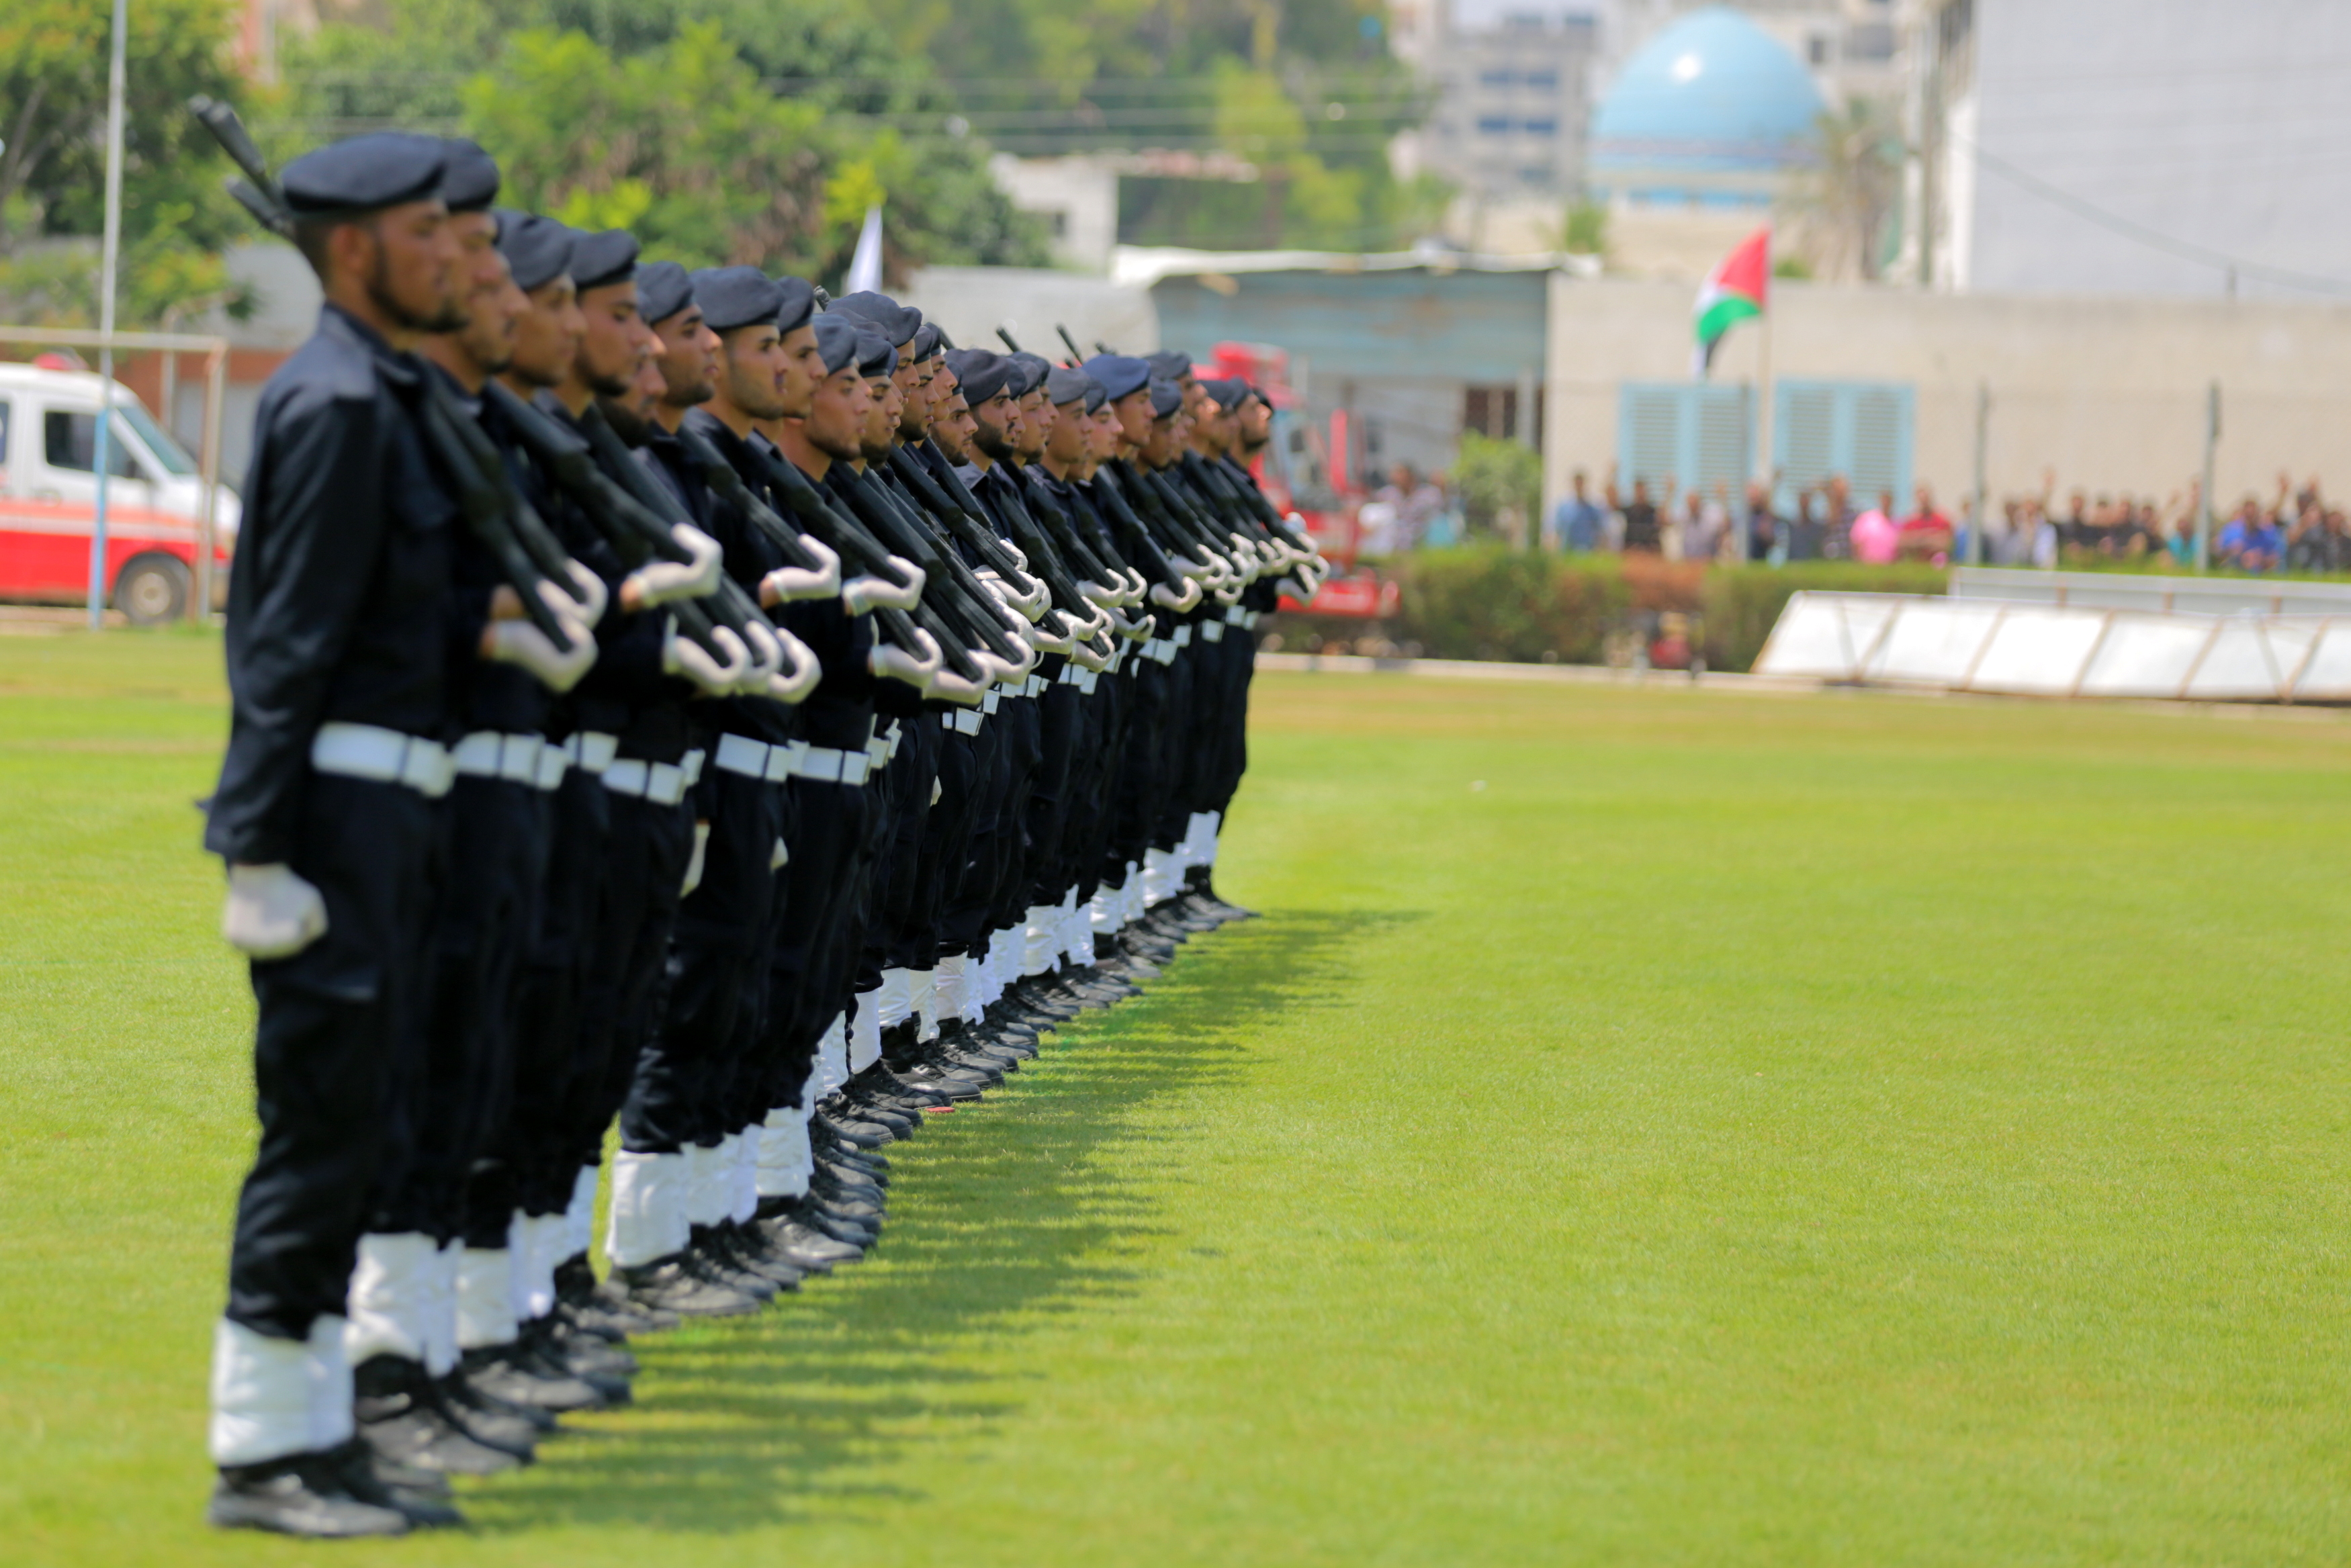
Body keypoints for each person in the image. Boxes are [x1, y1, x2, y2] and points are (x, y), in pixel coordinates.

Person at [202, 131, 480, 1540]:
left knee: (367, 1123)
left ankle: (319, 1431)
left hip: (398, 805)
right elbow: (283, 644)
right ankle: (261, 1451)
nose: (456, 256)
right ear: (359, 252)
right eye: (427, 234)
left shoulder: (383, 394)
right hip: (336, 814)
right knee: (318, 1133)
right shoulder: (335, 404)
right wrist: (255, 847)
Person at [1550, 468, 1603, 553]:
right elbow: (1558, 531)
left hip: (1587, 551)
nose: (1579, 486)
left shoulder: (1592, 510)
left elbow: (1599, 533)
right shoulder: (1564, 508)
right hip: (1567, 551)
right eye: (1577, 484)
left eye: (1581, 484)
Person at [1849, 489, 1900, 564]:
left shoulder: (1897, 524)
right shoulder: (1866, 519)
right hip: (1867, 565)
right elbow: (1856, 543)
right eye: (1884, 500)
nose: (1886, 503)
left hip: (1889, 567)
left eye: (1888, 500)